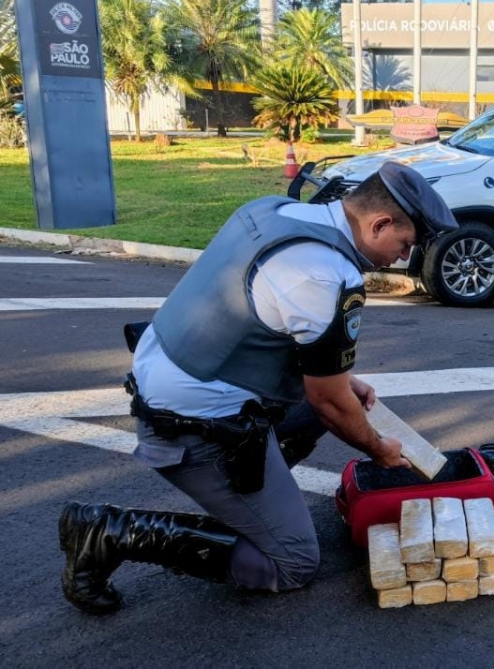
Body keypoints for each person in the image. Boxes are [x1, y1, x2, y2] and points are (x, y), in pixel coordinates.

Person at [58, 162, 457, 614]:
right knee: (293, 563)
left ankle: (249, 504)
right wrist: (380, 449)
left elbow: (277, 326)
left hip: (173, 385)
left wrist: (344, 383)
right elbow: (329, 403)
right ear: (379, 223)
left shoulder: (273, 211)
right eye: (404, 244)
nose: (402, 258)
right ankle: (108, 532)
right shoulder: (327, 274)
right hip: (190, 430)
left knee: (344, 403)